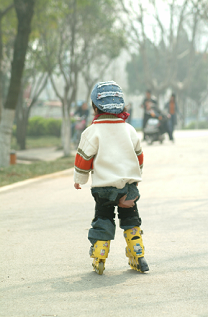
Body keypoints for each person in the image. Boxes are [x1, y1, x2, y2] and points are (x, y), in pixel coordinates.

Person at [74, 80, 149, 275]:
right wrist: (136, 174)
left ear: (94, 107)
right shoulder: (129, 130)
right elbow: (139, 156)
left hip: (104, 189)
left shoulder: (92, 131)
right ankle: (137, 251)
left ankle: (100, 252)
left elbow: (83, 159)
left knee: (104, 217)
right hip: (128, 187)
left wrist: (79, 179)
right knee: (131, 217)